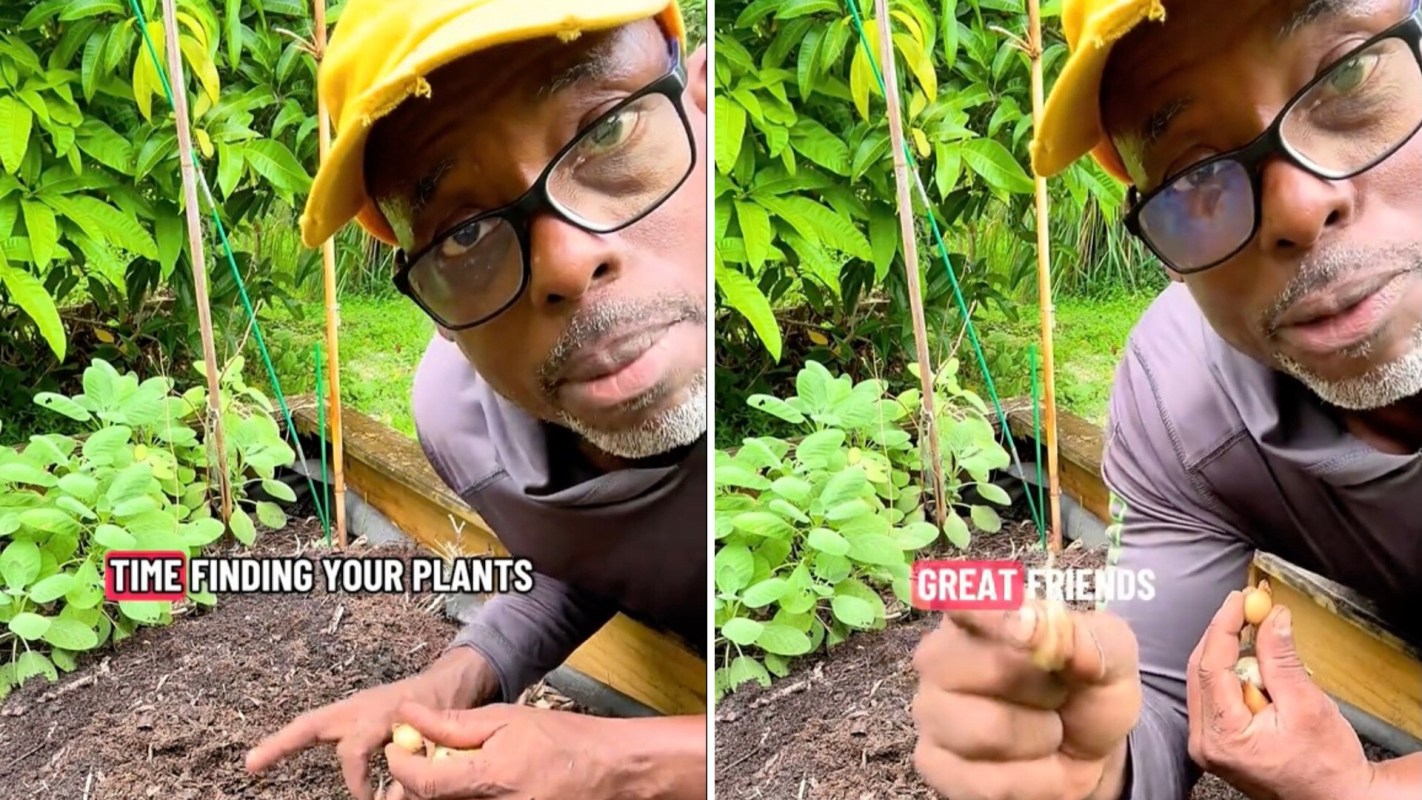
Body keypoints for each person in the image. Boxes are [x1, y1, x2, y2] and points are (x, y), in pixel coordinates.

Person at [910, 0, 1422, 797]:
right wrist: (1084, 759)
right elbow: (1153, 699)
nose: (1296, 204)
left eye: (1347, 76)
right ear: (1168, 258)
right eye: (1196, 178)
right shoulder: (1184, 396)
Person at [242, 1, 709, 799]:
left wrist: (625, 761)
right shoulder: (465, 428)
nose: (567, 260)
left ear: (703, 99)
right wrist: (461, 675)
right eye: (464, 232)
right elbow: (602, 559)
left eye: (606, 133)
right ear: (435, 313)